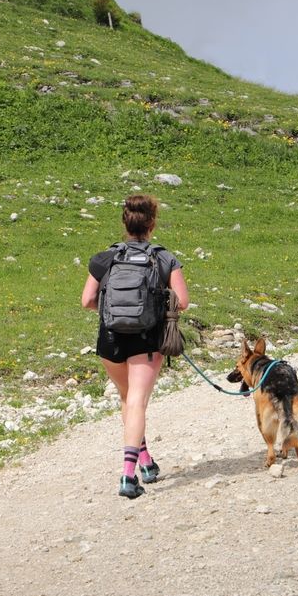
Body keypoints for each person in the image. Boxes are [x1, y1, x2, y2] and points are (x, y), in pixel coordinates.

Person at [81, 194, 189, 498]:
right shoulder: (164, 258)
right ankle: (128, 476)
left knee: (128, 400)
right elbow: (182, 302)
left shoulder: (105, 258)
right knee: (137, 402)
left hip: (111, 339)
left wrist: (114, 310)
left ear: (125, 223)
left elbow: (87, 300)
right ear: (152, 223)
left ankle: (146, 462)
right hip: (146, 339)